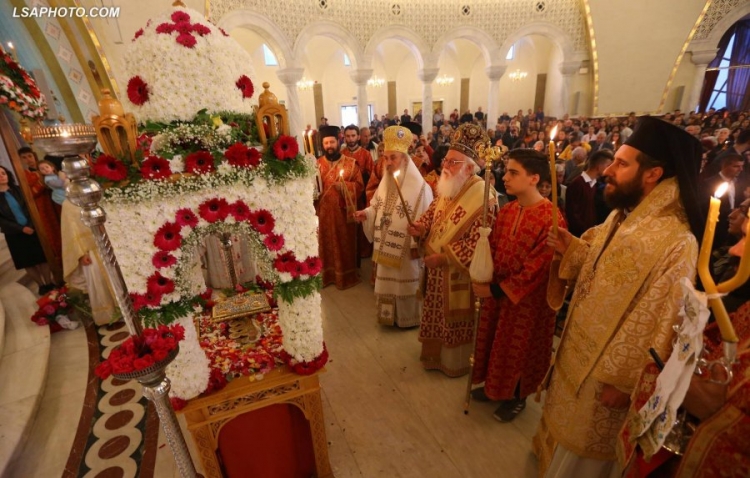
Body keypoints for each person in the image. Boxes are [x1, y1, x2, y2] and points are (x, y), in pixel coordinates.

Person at [533, 117, 704, 477]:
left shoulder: (677, 241)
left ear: (652, 174)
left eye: (622, 164)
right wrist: (574, 250)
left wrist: (627, 382)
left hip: (606, 378)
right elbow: (602, 270)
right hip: (576, 355)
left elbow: (662, 316)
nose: (608, 170)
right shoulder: (621, 217)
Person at [471, 149, 566, 422]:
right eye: (506, 171)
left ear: (534, 178)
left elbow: (537, 269)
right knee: (495, 342)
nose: (505, 177)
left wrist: (496, 290)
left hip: (527, 303)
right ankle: (493, 388)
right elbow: (494, 246)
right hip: (498, 292)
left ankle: (517, 396)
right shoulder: (509, 209)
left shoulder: (553, 219)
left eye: (514, 172)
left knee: (519, 349)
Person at [406, 123, 491, 377]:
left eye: (453, 163)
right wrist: (420, 227)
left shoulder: (484, 196)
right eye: (446, 160)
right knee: (435, 313)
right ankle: (434, 355)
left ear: (469, 167)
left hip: (457, 274)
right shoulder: (448, 185)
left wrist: (444, 258)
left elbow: (480, 244)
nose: (445, 166)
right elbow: (433, 213)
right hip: (435, 268)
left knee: (453, 321)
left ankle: (455, 363)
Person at [354, 126, 433, 327]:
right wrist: (366, 214)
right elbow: (377, 206)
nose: (388, 163)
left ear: (405, 160)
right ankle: (390, 317)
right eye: (386, 158)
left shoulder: (422, 189)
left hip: (407, 250)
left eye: (393, 158)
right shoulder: (386, 182)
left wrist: (418, 239)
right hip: (384, 247)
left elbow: (428, 221)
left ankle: (408, 319)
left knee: (405, 281)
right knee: (388, 280)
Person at [316, 126, 364, 290]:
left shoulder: (351, 164)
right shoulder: (316, 165)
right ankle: (327, 275)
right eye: (326, 143)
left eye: (332, 142)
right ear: (323, 144)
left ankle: (345, 275)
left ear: (338, 142)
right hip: (322, 215)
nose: (329, 145)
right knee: (324, 245)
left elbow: (359, 186)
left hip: (343, 216)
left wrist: (345, 188)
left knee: (343, 245)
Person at [0, 166, 56, 295]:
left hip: (32, 227)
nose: (2, 176)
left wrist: (30, 225)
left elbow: (31, 207)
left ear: (8, 174)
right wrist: (20, 228)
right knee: (27, 262)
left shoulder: (20, 190)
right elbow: (1, 220)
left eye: (3, 173)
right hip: (14, 233)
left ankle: (49, 282)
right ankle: (41, 285)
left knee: (41, 257)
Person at [61, 200, 118, 325]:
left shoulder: (101, 188)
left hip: (113, 243)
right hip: (90, 250)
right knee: (99, 282)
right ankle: (111, 317)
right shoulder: (69, 203)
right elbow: (70, 230)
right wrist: (80, 254)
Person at [17, 147, 62, 268]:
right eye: (24, 157)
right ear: (20, 160)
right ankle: (60, 263)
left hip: (58, 204)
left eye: (30, 156)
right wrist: (41, 183)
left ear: (34, 156)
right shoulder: (24, 175)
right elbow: (29, 193)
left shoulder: (45, 168)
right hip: (43, 207)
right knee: (53, 233)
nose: (28, 160)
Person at [700, 153, 744, 251]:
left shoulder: (740, 183)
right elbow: (705, 206)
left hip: (732, 229)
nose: (740, 170)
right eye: (736, 166)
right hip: (716, 228)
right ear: (725, 166)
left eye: (742, 166)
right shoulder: (709, 183)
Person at [565, 150, 614, 237]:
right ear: (598, 166)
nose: (609, 170)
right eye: (608, 166)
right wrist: (585, 231)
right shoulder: (577, 184)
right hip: (580, 235)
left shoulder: (594, 184)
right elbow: (572, 214)